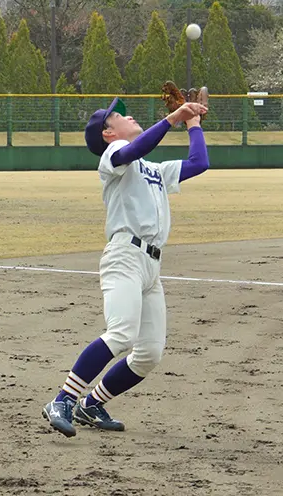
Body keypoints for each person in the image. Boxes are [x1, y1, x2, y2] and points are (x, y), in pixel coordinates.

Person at [42, 96, 209, 438]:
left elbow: (199, 162)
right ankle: (62, 399)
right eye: (119, 116)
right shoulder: (113, 157)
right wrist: (173, 118)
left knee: (149, 353)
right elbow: (133, 150)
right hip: (124, 257)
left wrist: (193, 124)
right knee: (121, 334)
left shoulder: (153, 169)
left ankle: (92, 404)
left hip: (151, 267)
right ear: (107, 133)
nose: (128, 115)